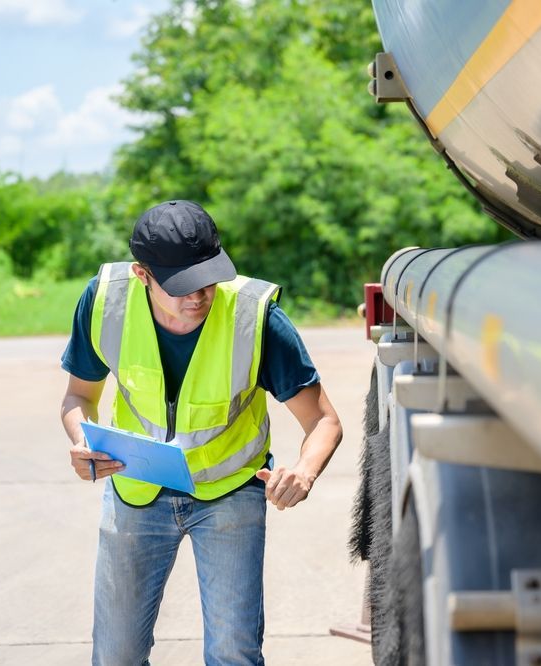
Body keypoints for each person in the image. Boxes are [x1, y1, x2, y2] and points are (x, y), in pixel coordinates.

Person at [59, 200, 343, 665]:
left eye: (208, 278)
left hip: (231, 494)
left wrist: (305, 472)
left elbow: (324, 421)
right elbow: (78, 398)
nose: (198, 295)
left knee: (234, 653)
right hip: (137, 490)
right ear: (141, 274)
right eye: (180, 285)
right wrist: (81, 440)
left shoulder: (255, 317)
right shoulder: (105, 302)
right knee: (116, 656)